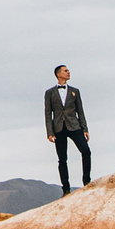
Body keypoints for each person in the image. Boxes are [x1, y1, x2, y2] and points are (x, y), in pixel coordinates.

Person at [44, 65, 90, 195]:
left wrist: (85, 128)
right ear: (59, 74)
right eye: (65, 71)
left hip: (74, 126)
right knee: (62, 159)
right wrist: (49, 132)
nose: (68, 72)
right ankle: (66, 189)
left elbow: (80, 111)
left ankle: (87, 181)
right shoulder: (50, 93)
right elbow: (48, 113)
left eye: (68, 70)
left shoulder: (75, 91)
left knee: (86, 151)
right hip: (58, 128)